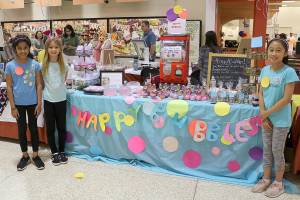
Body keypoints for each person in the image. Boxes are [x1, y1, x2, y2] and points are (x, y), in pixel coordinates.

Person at [251, 38, 299, 198]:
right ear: (267, 51)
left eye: (278, 50)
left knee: (277, 150)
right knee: (267, 150)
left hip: (281, 121)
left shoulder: (289, 72)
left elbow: (286, 99)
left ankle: (278, 183)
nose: (274, 53)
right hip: (266, 119)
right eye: (271, 49)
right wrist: (263, 115)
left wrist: (267, 113)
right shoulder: (265, 70)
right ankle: (266, 179)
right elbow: (262, 93)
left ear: (285, 53)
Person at [5, 35, 44, 171]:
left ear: (29, 48)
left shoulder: (35, 65)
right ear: (15, 49)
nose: (22, 51)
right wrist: (13, 107)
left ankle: (35, 154)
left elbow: (39, 85)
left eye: (25, 48)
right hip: (18, 105)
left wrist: (39, 103)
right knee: (21, 130)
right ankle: (25, 155)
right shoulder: (10, 66)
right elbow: (9, 87)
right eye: (19, 48)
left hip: (33, 103)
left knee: (33, 129)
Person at [42, 37, 68, 165]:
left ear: (60, 49)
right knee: (51, 128)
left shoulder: (64, 65)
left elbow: (64, 80)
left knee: (62, 127)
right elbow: (41, 83)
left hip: (61, 100)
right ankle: (54, 152)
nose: (53, 49)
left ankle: (62, 150)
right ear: (47, 49)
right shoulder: (43, 65)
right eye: (51, 47)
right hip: (48, 100)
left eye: (56, 47)